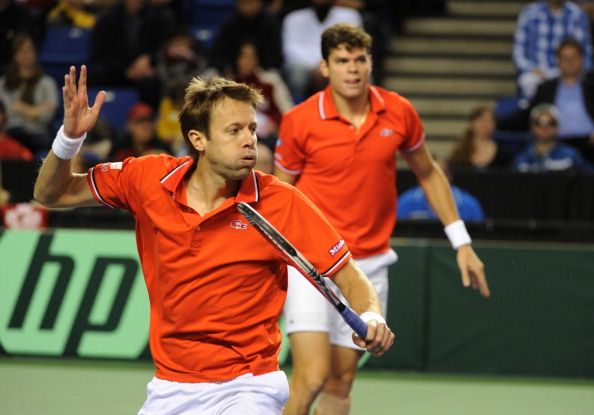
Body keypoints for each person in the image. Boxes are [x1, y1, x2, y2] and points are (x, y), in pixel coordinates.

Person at [33, 65, 394, 414]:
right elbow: (52, 194)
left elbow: (347, 273)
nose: (250, 140)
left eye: (252, 129)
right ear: (198, 139)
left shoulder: (281, 202)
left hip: (249, 386)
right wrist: (69, 139)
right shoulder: (146, 179)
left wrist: (371, 316)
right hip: (171, 386)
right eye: (234, 130)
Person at [274, 23, 490, 415]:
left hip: (369, 265)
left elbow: (428, 173)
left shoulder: (400, 111)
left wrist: (462, 242)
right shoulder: (299, 121)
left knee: (342, 381)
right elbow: (277, 194)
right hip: (311, 264)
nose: (352, 69)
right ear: (324, 67)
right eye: (341, 61)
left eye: (359, 60)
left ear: (371, 62)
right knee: (313, 376)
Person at [499, 37, 594, 163]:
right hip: (556, 145)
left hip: (590, 143)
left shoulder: (592, 84)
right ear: (558, 61)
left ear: (582, 59)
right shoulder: (547, 88)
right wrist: (496, 122)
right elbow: (527, 116)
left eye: (574, 57)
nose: (570, 62)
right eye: (565, 58)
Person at [89, 0, 172, 109]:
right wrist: (125, 70)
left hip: (144, 71)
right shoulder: (107, 18)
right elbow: (99, 53)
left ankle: (146, 122)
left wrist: (149, 58)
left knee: (154, 83)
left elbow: (162, 46)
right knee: (94, 74)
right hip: (115, 70)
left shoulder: (157, 17)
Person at [282, 0, 363, 101]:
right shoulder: (293, 18)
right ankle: (297, 108)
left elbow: (352, 46)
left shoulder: (350, 16)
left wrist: (325, 65)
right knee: (297, 72)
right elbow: (291, 50)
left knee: (360, 69)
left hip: (336, 62)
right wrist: (315, 66)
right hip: (305, 66)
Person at [512, 0, 593, 99]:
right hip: (537, 72)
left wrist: (575, 70)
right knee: (528, 81)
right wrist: (531, 68)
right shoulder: (530, 13)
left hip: (568, 73)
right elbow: (518, 52)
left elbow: (586, 54)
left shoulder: (577, 14)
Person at [0, 33, 59, 156]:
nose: (25, 55)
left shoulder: (47, 83)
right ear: (15, 55)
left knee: (45, 142)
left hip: (38, 133)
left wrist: (23, 108)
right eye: (21, 51)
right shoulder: (3, 83)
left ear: (35, 53)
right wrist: (35, 111)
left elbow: (47, 115)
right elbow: (5, 113)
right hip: (10, 132)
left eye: (29, 50)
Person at [229, 39, 294, 148]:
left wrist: (275, 124)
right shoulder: (228, 86)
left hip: (271, 138)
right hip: (239, 141)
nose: (247, 61)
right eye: (243, 57)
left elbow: (288, 112)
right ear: (236, 60)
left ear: (257, 59)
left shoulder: (271, 80)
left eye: (251, 57)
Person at [398, 157, 485, 222]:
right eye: (428, 175)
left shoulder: (469, 204)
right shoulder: (404, 202)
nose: (434, 181)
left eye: (440, 175)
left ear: (449, 177)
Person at [209, 0, 283, 76]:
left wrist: (256, 67)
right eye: (242, 4)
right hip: (232, 71)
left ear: (259, 3)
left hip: (262, 70)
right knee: (210, 74)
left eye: (249, 3)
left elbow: (275, 55)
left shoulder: (270, 24)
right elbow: (217, 53)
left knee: (273, 75)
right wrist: (225, 67)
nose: (246, 7)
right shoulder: (230, 24)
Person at [511, 102, 590, 172]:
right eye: (540, 123)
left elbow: (586, 181)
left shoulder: (571, 156)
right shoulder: (521, 159)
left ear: (557, 126)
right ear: (532, 127)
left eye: (550, 123)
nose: (545, 128)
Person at [449, 105, 512, 171]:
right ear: (472, 123)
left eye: (490, 121)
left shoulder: (503, 154)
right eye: (482, 120)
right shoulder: (460, 153)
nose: (485, 125)